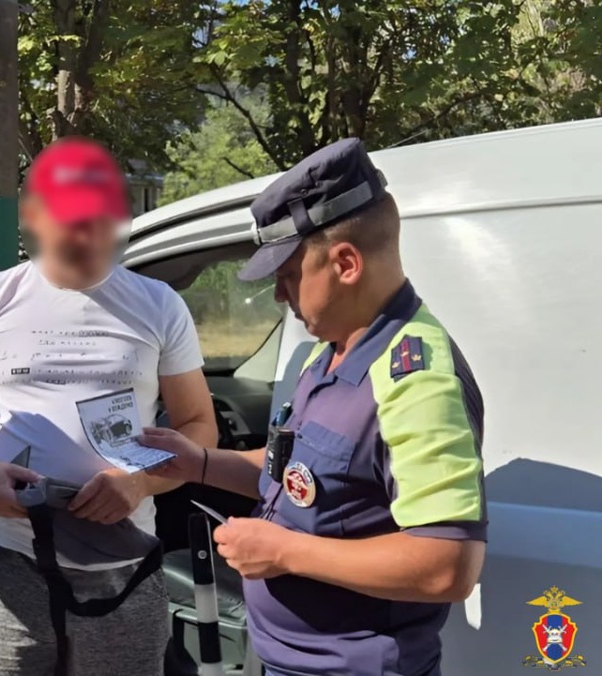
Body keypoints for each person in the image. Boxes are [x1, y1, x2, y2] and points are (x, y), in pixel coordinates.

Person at [141, 138, 487, 676]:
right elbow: (295, 473)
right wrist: (199, 463)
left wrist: (283, 552)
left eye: (288, 275)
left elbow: (447, 565)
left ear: (346, 263)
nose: (281, 295)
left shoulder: (414, 380)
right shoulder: (334, 351)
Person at [0, 136, 219, 676]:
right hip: (12, 562)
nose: (88, 237)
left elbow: (199, 426)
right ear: (34, 217)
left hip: (125, 565)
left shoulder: (159, 306)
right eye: (72, 222)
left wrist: (138, 482)